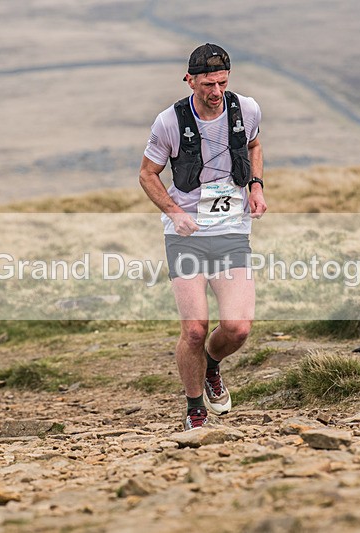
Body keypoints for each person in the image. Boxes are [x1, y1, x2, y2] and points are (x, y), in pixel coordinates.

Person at [139, 43, 266, 431]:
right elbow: (147, 174)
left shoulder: (246, 109)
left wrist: (256, 187)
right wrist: (175, 214)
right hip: (187, 234)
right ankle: (195, 408)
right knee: (194, 329)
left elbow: (255, 144)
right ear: (190, 79)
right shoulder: (169, 122)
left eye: (222, 82)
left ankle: (212, 365)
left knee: (238, 328)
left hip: (231, 230)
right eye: (208, 84)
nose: (215, 92)